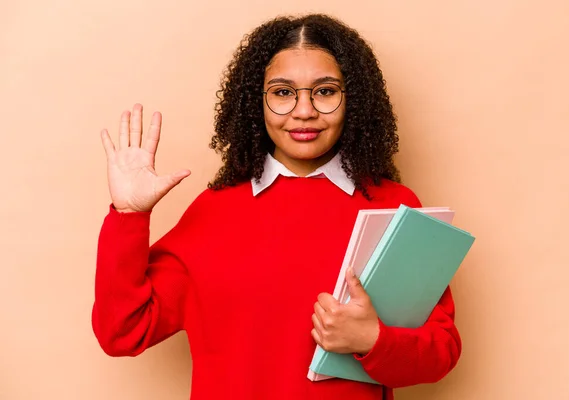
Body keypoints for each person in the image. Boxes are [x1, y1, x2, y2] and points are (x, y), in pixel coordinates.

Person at [92, 13, 461, 400]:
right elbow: (122, 332)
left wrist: (372, 339)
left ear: (354, 100)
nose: (304, 111)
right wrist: (128, 216)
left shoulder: (394, 206)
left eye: (325, 91)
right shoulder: (212, 212)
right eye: (283, 92)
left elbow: (441, 351)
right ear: (257, 102)